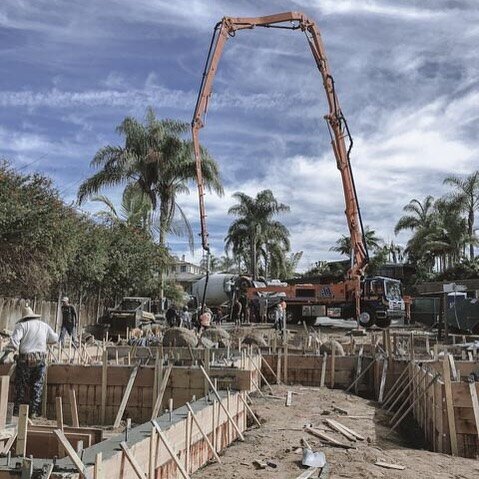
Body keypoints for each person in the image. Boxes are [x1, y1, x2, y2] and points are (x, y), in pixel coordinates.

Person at [7, 306, 58, 418]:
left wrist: (7, 352)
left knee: (20, 385)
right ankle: (33, 412)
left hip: (25, 360)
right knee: (37, 385)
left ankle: (16, 412)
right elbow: (54, 339)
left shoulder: (21, 326)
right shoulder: (44, 325)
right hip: (40, 359)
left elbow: (14, 342)